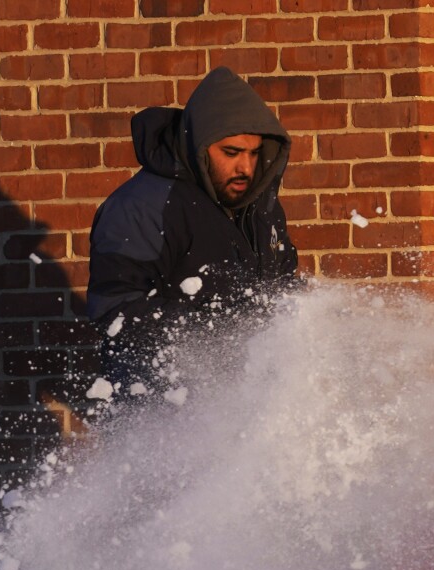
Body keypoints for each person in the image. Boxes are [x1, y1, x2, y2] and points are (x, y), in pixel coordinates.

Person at [85, 67, 300, 398]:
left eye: (254, 153)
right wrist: (219, 329)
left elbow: (283, 281)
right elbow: (115, 309)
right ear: (201, 146)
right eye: (231, 153)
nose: (246, 167)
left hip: (248, 403)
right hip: (164, 407)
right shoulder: (142, 206)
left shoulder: (259, 206)